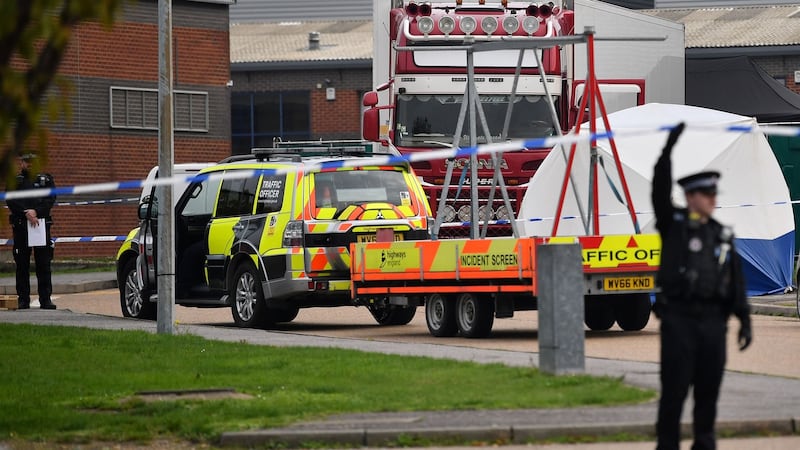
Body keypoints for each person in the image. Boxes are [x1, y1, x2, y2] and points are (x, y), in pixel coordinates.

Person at [651, 123, 752, 450]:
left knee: (708, 394)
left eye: (713, 194)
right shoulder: (675, 225)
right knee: (675, 393)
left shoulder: (721, 233)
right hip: (679, 321)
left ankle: (704, 445)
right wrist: (667, 151)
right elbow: (659, 191)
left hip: (713, 324)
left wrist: (745, 319)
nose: (712, 199)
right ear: (691, 197)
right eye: (707, 194)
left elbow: (734, 279)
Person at [6, 153, 57, 310]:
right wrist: (26, 213)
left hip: (40, 225)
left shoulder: (45, 180)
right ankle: (23, 300)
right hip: (22, 226)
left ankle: (45, 299)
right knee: (22, 265)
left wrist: (36, 211)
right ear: (21, 163)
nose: (30, 164)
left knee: (43, 264)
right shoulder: (15, 181)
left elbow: (50, 199)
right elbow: (11, 200)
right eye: (26, 162)